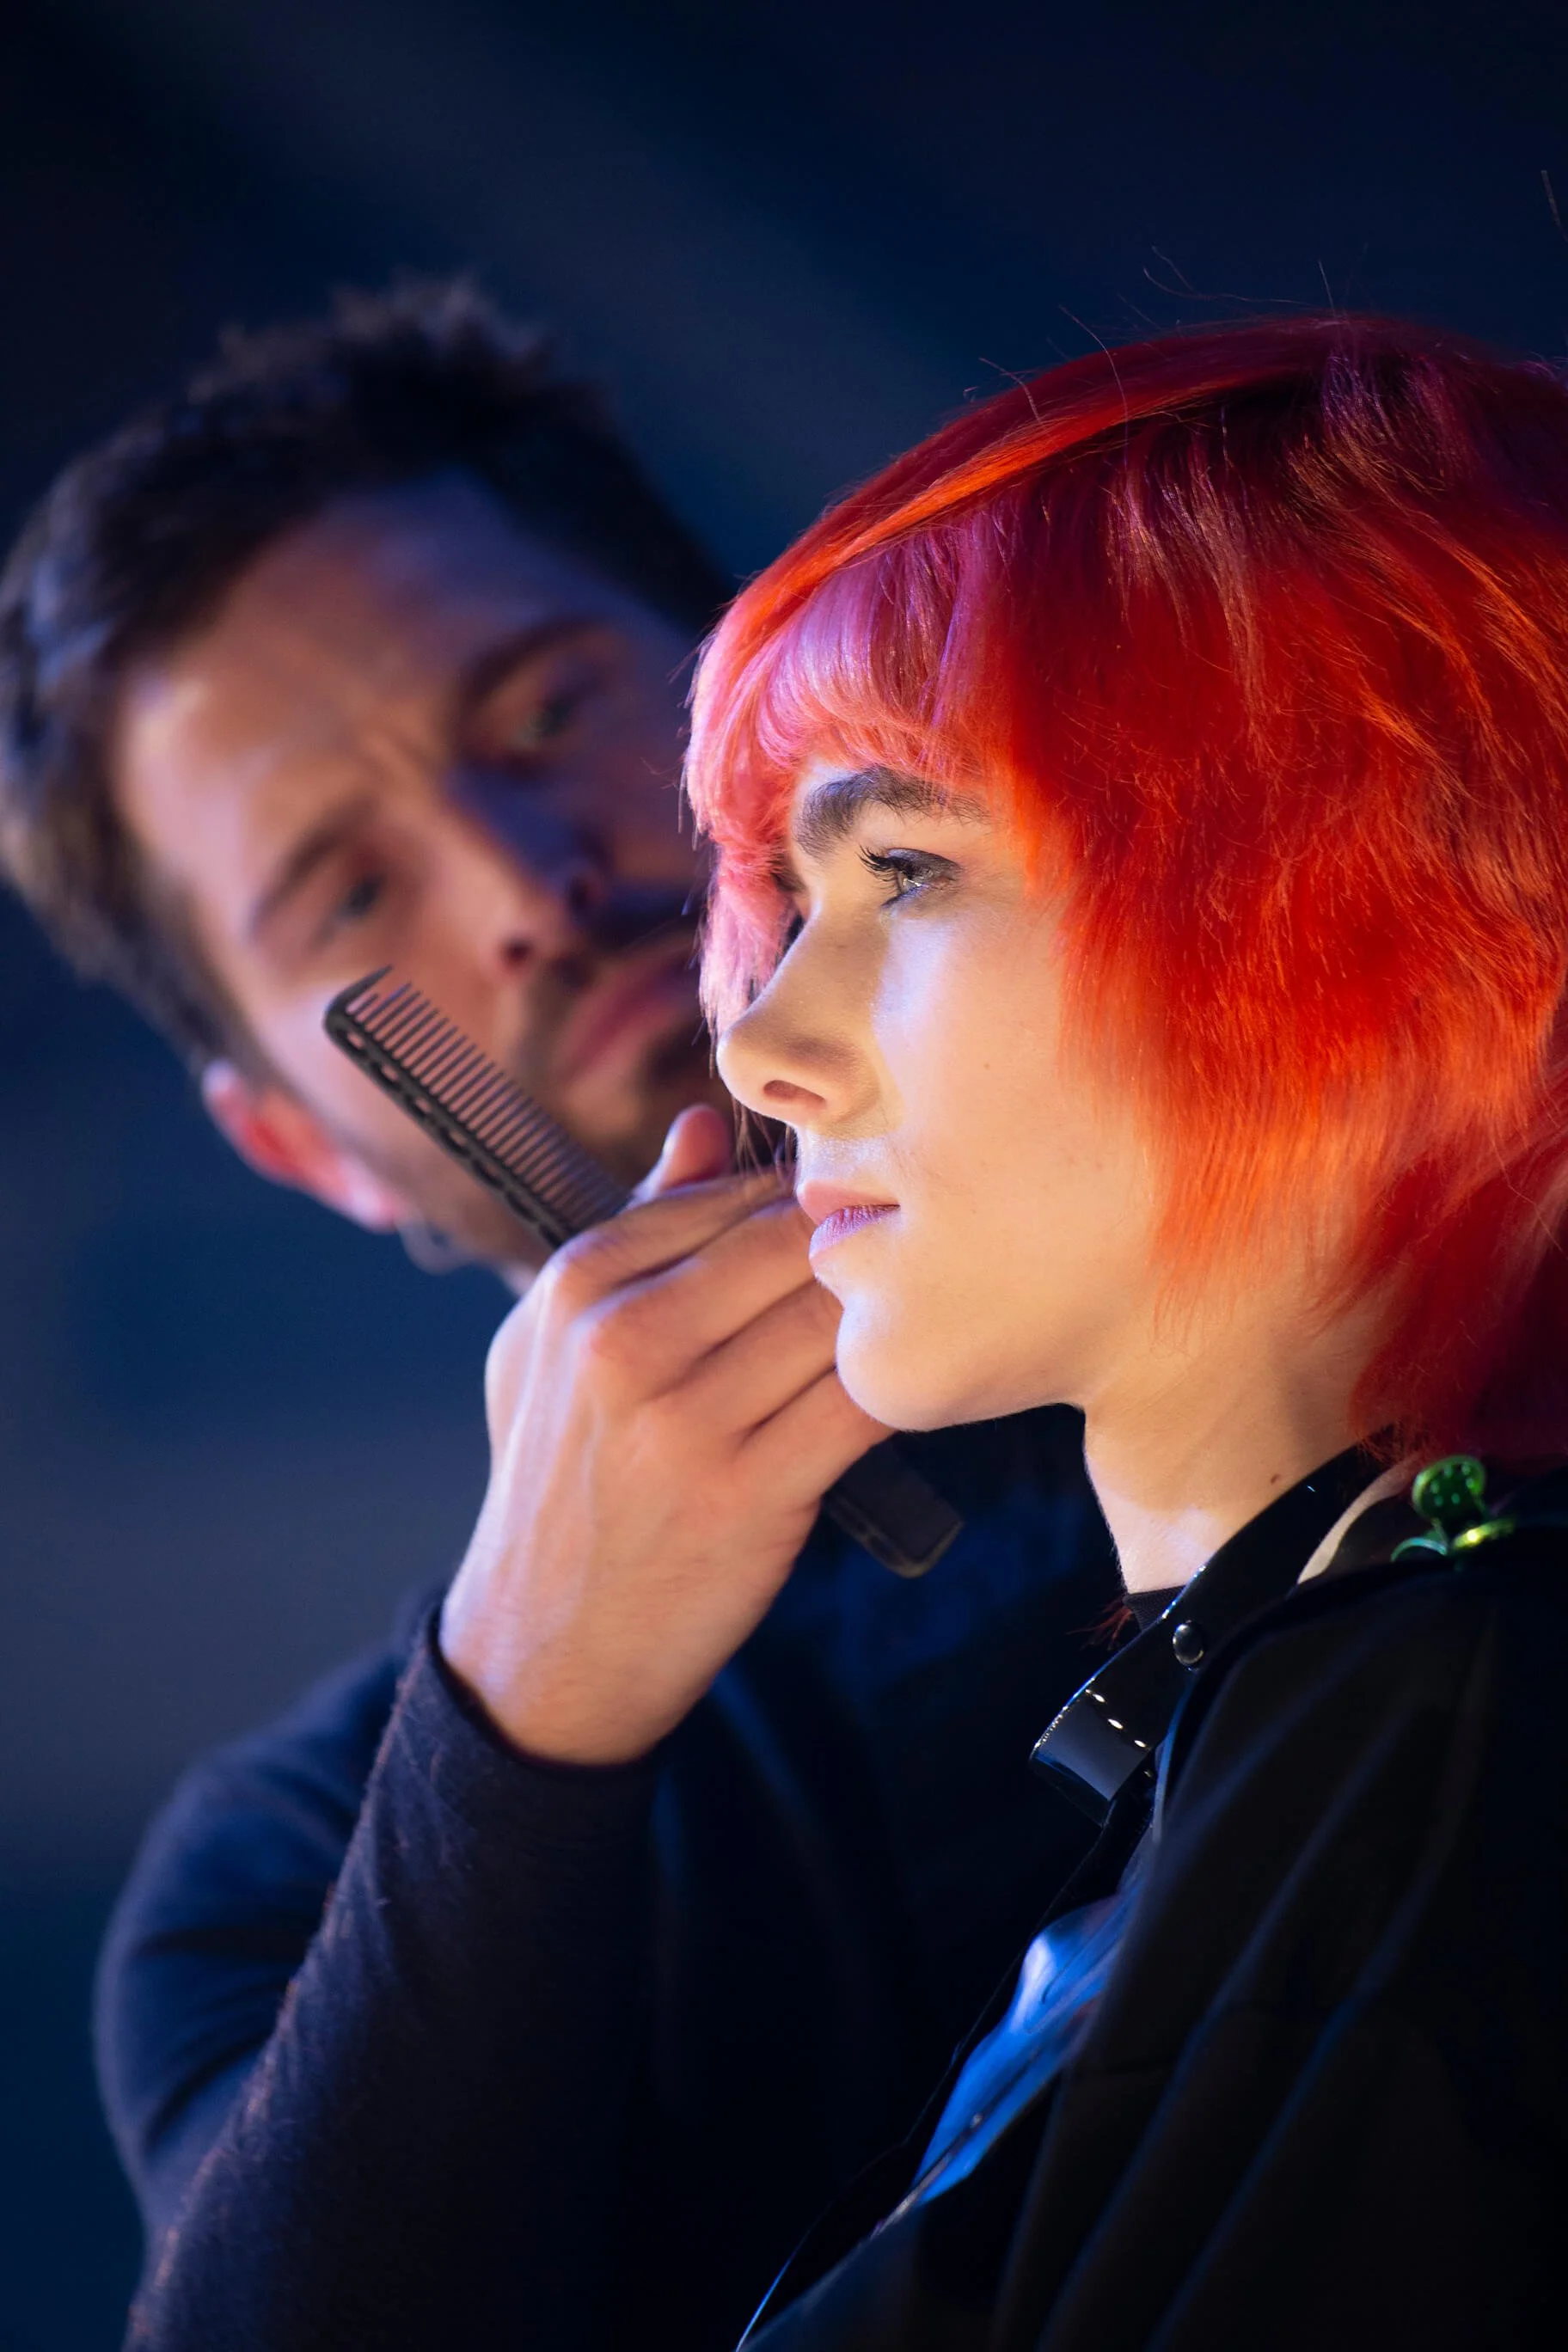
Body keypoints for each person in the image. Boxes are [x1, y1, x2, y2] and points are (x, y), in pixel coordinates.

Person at [0, 281, 1118, 2350]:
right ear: (299, 1150)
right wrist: (526, 1708)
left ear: (762, 677)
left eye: (538, 716)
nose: (516, 882)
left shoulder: (1361, 1245)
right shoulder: (288, 1872)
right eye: (348, 899)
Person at [687, 312, 1568, 2347]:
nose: (765, 1042)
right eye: (792, 902)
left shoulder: (1446, 1732)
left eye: (906, 866)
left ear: (1359, 888)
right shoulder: (1344, 1728)